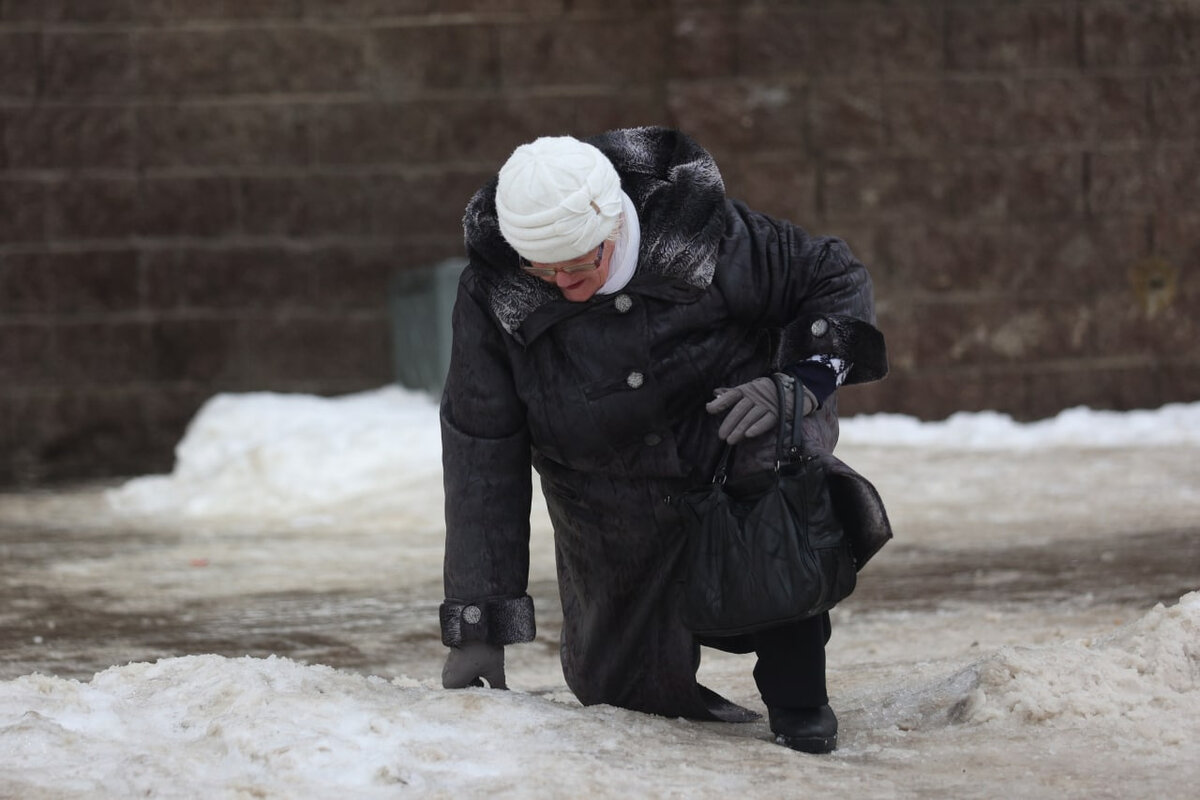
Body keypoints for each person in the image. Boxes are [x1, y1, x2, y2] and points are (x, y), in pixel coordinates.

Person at [437, 127, 889, 754]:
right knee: (621, 698)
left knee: (771, 513)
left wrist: (804, 380)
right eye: (545, 272)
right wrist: (478, 620)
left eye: (581, 264)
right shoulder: (493, 295)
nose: (565, 284)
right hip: (606, 493)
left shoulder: (706, 235)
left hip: (729, 446)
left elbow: (835, 276)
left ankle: (798, 699)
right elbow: (481, 447)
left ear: (613, 225)